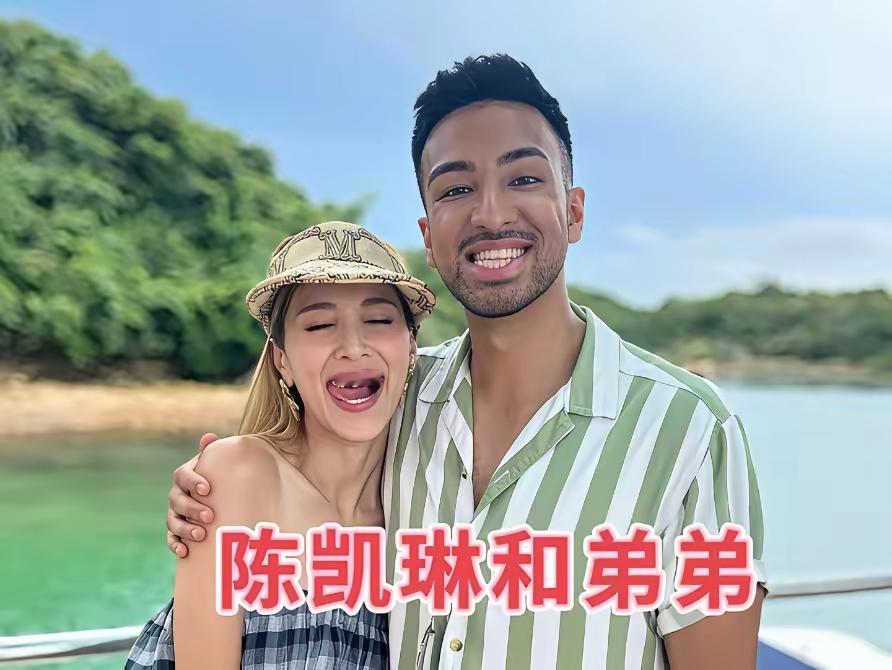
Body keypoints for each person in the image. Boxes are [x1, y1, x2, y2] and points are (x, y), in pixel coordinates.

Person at [164, 55, 767, 669]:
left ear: (574, 211)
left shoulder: (688, 430)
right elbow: (291, 468)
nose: (491, 214)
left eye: (523, 178)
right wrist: (209, 489)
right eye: (456, 189)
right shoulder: (395, 398)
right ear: (429, 235)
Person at [126, 221, 436, 669]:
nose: (353, 347)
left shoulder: (422, 510)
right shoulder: (237, 474)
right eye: (320, 324)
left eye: (378, 320)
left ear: (411, 347)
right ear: (282, 360)